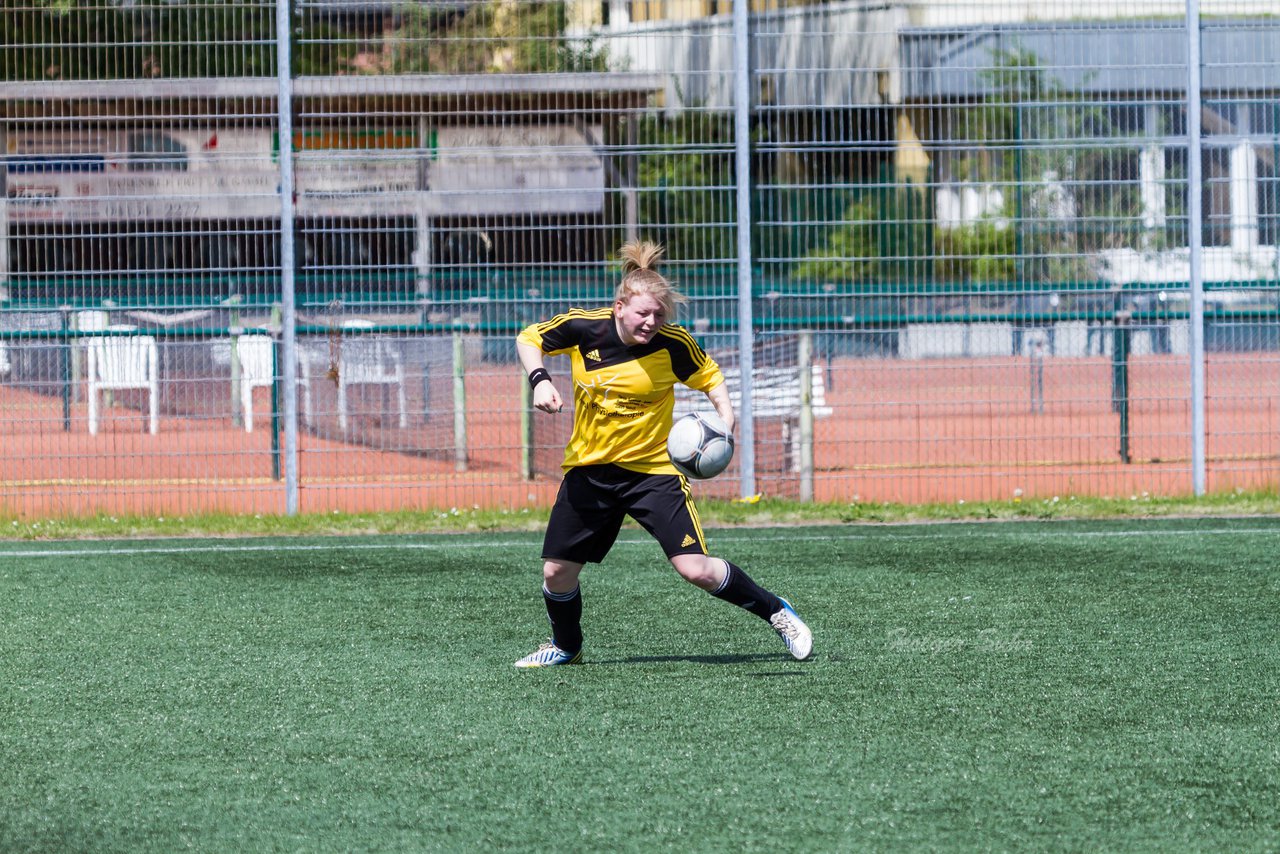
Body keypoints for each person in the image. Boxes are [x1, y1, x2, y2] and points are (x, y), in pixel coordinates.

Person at [512, 240, 813, 668]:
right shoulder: (584, 329)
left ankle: (776, 611)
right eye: (642, 313)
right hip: (590, 470)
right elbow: (528, 338)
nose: (651, 322)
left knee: (696, 569)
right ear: (619, 307)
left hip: (654, 473)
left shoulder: (673, 344)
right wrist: (540, 379)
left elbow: (710, 376)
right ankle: (566, 647)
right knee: (556, 573)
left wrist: (725, 423)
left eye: (659, 314)